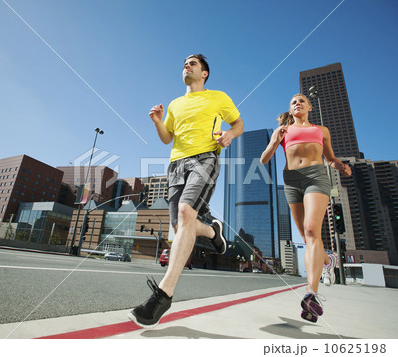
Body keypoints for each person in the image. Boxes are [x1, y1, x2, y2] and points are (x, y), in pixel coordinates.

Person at [128, 54, 244, 328]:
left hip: (205, 158)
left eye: (193, 63)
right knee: (181, 227)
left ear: (204, 73)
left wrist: (230, 134)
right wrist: (158, 121)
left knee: (185, 212)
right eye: (185, 63)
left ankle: (163, 295)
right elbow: (168, 137)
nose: (186, 66)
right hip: (176, 164)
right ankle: (213, 231)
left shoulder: (218, 97)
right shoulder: (175, 104)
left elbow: (238, 124)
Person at [260, 93, 351, 323]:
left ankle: (312, 294)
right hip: (291, 180)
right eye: (293, 102)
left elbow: (329, 158)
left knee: (312, 231)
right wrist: (274, 141)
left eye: (301, 100)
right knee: (305, 234)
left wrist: (340, 165)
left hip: (316, 178)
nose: (297, 103)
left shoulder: (322, 130)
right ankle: (328, 260)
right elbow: (263, 160)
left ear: (309, 106)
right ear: (290, 110)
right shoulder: (282, 130)